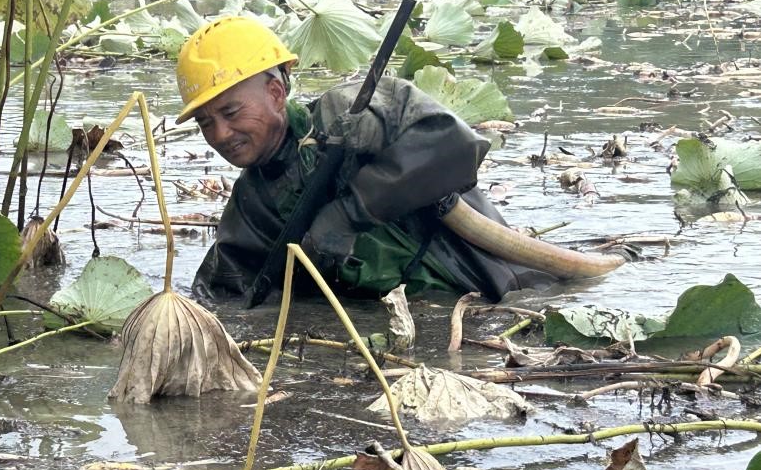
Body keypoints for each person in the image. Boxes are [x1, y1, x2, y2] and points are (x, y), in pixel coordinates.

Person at [176, 15, 555, 303]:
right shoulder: (251, 204)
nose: (220, 135)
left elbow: (459, 148)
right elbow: (224, 290)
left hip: (499, 294)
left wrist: (350, 213)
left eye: (231, 113)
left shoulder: (350, 114)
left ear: (276, 93)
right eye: (205, 123)